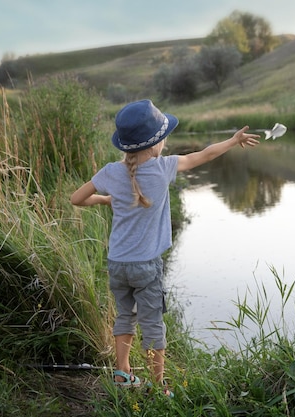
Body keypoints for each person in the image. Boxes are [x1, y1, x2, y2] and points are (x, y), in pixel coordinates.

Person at [70, 99, 260, 391]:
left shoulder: (110, 172)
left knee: (125, 316)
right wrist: (233, 140)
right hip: (146, 266)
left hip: (117, 263)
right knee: (153, 324)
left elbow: (77, 199)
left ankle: (122, 375)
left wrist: (106, 199)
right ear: (155, 144)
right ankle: (160, 387)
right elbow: (205, 155)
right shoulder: (163, 169)